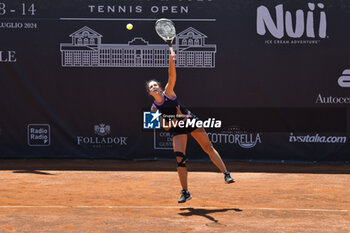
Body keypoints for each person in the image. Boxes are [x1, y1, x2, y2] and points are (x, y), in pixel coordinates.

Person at [146, 51, 235, 203]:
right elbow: (166, 127)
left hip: (190, 120)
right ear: (149, 92)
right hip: (177, 128)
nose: (154, 87)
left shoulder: (169, 92)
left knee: (208, 146)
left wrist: (171, 60)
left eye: (155, 85)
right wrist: (177, 119)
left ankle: (226, 174)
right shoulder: (153, 109)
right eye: (151, 87)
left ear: (160, 88)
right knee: (180, 159)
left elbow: (172, 76)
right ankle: (185, 191)